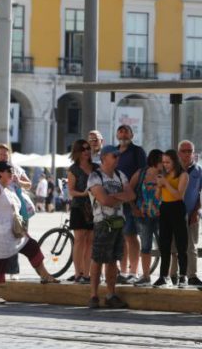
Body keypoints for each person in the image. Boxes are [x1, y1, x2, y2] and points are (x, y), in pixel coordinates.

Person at [0, 161, 59, 304]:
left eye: (13, 171)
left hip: (14, 231)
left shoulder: (9, 188)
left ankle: (45, 275)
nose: (12, 173)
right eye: (9, 171)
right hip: (0, 232)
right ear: (0, 173)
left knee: (32, 247)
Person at [87, 145, 135, 308]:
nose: (117, 158)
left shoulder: (120, 175)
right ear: (104, 158)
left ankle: (110, 294)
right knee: (98, 259)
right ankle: (93, 295)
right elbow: (104, 200)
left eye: (118, 156)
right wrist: (120, 197)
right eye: (114, 156)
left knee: (113, 260)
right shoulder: (95, 176)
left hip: (118, 222)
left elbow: (132, 195)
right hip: (102, 223)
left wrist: (114, 196)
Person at [0, 143, 33, 278]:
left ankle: (13, 271)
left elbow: (29, 184)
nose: (3, 156)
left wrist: (19, 182)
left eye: (5, 154)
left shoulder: (15, 169)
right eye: (0, 154)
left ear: (9, 155)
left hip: (18, 211)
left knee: (17, 238)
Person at [170, 140, 202, 286]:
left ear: (193, 153)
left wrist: (196, 211)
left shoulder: (200, 171)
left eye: (189, 151)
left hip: (191, 213)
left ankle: (192, 275)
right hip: (173, 212)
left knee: (191, 247)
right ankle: (173, 274)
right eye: (183, 151)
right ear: (178, 153)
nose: (186, 154)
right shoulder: (171, 169)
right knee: (173, 246)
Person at [152, 149, 189, 289]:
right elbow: (157, 196)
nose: (165, 165)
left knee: (181, 244)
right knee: (164, 244)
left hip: (177, 208)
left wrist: (166, 184)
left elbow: (179, 195)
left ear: (175, 161)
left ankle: (183, 276)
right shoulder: (164, 175)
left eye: (168, 162)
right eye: (163, 162)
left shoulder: (183, 175)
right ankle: (163, 276)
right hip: (165, 208)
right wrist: (159, 186)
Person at [115, 124, 147, 283]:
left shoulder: (137, 151)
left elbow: (142, 171)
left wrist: (130, 191)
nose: (123, 134)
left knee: (131, 235)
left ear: (132, 135)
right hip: (115, 201)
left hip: (133, 200)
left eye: (126, 131)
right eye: (120, 131)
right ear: (116, 135)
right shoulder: (113, 152)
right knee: (120, 237)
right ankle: (122, 271)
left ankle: (133, 271)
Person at [67, 139, 98, 284]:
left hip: (94, 208)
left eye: (88, 148)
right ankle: (78, 273)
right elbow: (71, 191)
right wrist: (84, 194)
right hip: (79, 207)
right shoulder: (73, 169)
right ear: (77, 152)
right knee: (79, 240)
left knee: (90, 241)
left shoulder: (96, 168)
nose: (87, 151)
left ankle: (87, 273)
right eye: (83, 149)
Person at [131, 149, 163, 287]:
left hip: (161, 216)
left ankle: (164, 276)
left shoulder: (165, 175)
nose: (165, 163)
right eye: (162, 161)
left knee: (165, 246)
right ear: (155, 161)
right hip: (143, 215)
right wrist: (134, 208)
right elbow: (129, 189)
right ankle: (146, 276)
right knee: (145, 246)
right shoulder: (141, 173)